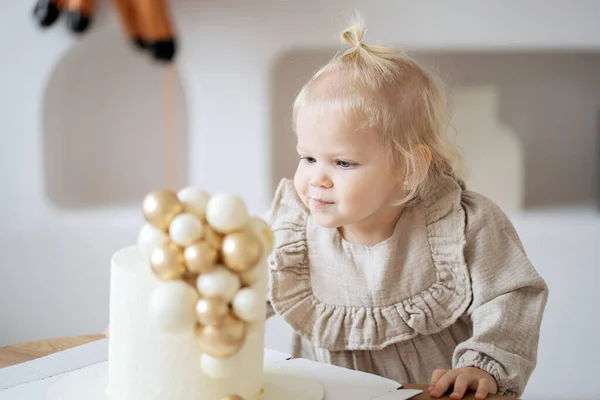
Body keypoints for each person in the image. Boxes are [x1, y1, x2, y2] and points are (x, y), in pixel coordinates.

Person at [265, 16, 548, 400]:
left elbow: (512, 295)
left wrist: (482, 365)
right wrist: (220, 304)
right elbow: (250, 289)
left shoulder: (462, 226)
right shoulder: (293, 230)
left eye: (343, 163)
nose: (317, 179)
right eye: (308, 158)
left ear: (407, 168)